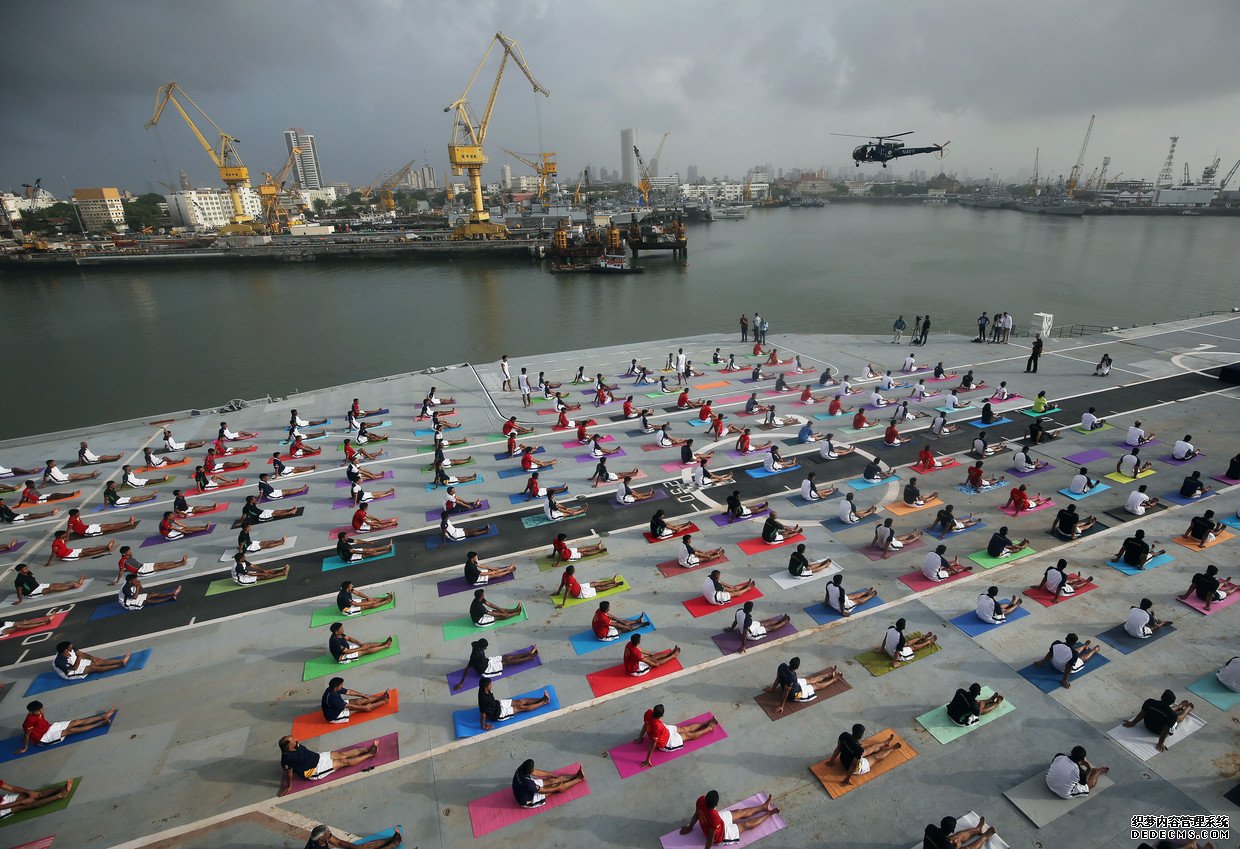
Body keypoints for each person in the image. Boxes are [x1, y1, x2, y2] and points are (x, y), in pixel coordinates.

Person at [278, 735, 378, 796]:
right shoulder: (287, 759)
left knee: (342, 754)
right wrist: (289, 786)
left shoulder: (295, 744)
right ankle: (370, 754)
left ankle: (368, 749)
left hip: (318, 757)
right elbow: (289, 773)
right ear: (289, 746)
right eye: (293, 740)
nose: (295, 739)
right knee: (343, 761)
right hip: (314, 770)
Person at [16, 700, 117, 755]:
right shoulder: (28, 721)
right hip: (43, 738)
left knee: (76, 722)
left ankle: (103, 716)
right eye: (39, 711)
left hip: (49, 727)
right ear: (30, 712)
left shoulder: (39, 712)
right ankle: (100, 723)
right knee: (71, 730)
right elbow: (26, 735)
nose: (41, 712)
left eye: (42, 709)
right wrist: (25, 748)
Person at [634, 704, 719, 767]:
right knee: (687, 735)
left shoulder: (648, 713)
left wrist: (640, 737)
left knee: (684, 729)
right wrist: (647, 759)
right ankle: (709, 728)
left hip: (666, 730)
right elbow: (653, 744)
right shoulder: (657, 727)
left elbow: (645, 724)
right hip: (667, 742)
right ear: (661, 716)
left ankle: (705, 723)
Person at [828, 723, 905, 784]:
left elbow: (838, 748)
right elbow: (853, 766)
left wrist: (832, 761)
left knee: (869, 749)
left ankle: (885, 743)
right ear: (861, 735)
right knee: (875, 757)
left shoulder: (844, 735)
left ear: (852, 731)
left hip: (843, 759)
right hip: (852, 767)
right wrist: (847, 779)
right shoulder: (858, 749)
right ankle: (892, 749)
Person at [1122, 689, 1195, 753]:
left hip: (1147, 724)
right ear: (1172, 703)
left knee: (1165, 711)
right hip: (1158, 732)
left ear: (1161, 697)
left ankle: (1180, 706)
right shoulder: (1172, 715)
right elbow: (1165, 729)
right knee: (1177, 719)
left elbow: (1143, 713)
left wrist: (1133, 723)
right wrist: (1160, 743)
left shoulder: (1150, 702)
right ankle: (1187, 709)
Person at [511, 758, 587, 809]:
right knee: (555, 785)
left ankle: (576, 775)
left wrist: (549, 774)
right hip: (527, 801)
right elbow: (543, 791)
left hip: (524, 789)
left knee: (552, 780)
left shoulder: (521, 768)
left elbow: (535, 772)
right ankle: (579, 779)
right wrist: (558, 788)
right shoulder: (528, 784)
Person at [1035, 633, 1102, 689]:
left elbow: (1050, 653)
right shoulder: (1074, 653)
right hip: (1062, 669)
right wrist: (1064, 680)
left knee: (1071, 653)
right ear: (1075, 643)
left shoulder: (1056, 643)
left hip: (1053, 662)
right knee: (1081, 659)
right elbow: (1068, 667)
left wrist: (1042, 662)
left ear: (1066, 638)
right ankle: (1093, 651)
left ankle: (1085, 646)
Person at [1045, 745, 1109, 798]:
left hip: (1049, 782)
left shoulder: (1059, 756)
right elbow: (1084, 783)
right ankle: (1098, 771)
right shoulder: (1080, 772)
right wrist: (1089, 768)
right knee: (1090, 784)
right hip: (1063, 793)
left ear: (1071, 752)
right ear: (1083, 759)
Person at [726, 600, 791, 653]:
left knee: (765, 622)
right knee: (768, 628)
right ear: (750, 609)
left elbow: (736, 620)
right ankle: (784, 622)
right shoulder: (747, 619)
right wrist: (743, 646)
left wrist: (731, 629)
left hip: (750, 626)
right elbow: (744, 633)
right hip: (751, 634)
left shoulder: (739, 610)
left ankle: (781, 620)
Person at [0, 777, 76, 819]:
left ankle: (62, 788)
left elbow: (11, 788)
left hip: (2, 800)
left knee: (32, 795)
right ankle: (59, 796)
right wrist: (21, 802)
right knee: (21, 806)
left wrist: (29, 792)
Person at [53, 640, 130, 680]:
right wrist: (79, 657)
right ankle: (118, 666)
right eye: (70, 647)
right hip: (70, 672)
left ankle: (121, 661)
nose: (72, 647)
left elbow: (82, 654)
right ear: (65, 650)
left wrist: (92, 658)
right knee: (93, 668)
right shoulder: (59, 661)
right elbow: (74, 668)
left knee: (99, 661)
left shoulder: (70, 648)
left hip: (77, 662)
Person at [13, 563, 86, 604]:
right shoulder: (18, 580)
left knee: (57, 584)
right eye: (25, 569)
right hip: (32, 592)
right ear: (20, 571)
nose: (27, 570)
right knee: (52, 589)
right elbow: (19, 591)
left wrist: (40, 586)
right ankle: (74, 586)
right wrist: (20, 601)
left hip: (39, 586)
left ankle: (76, 582)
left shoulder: (28, 572)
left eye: (27, 568)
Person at [554, 564, 623, 608]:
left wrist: (558, 592)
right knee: (598, 588)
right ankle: (615, 584)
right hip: (580, 593)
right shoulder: (570, 579)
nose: (575, 571)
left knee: (595, 583)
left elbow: (562, 583)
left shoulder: (565, 574)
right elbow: (567, 591)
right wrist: (563, 604)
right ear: (572, 572)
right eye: (574, 570)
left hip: (580, 587)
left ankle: (612, 581)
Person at [328, 622, 392, 664]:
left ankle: (383, 643)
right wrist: (361, 648)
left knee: (367, 645)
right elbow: (347, 651)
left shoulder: (339, 634)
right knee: (365, 650)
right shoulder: (335, 641)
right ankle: (386, 646)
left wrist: (360, 643)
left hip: (347, 648)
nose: (343, 629)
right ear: (336, 632)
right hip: (342, 656)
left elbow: (349, 638)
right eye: (341, 629)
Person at [44, 529, 115, 565]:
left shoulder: (61, 539)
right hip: (67, 555)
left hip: (70, 551)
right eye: (64, 535)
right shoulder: (55, 543)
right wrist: (48, 563)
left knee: (87, 549)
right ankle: (105, 550)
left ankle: (105, 546)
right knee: (85, 554)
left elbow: (63, 545)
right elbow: (53, 553)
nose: (65, 536)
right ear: (59, 536)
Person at [923, 815, 997, 849]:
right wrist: (957, 847)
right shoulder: (948, 847)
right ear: (952, 830)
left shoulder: (930, 828)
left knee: (955, 838)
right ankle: (985, 836)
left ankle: (977, 829)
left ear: (941, 822)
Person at [65, 506, 136, 539]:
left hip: (88, 527)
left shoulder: (76, 517)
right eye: (78, 513)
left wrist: (76, 531)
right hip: (88, 531)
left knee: (108, 525)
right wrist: (67, 539)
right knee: (110, 528)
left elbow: (76, 527)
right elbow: (68, 530)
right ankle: (129, 524)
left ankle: (127, 522)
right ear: (74, 515)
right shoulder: (71, 520)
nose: (79, 514)